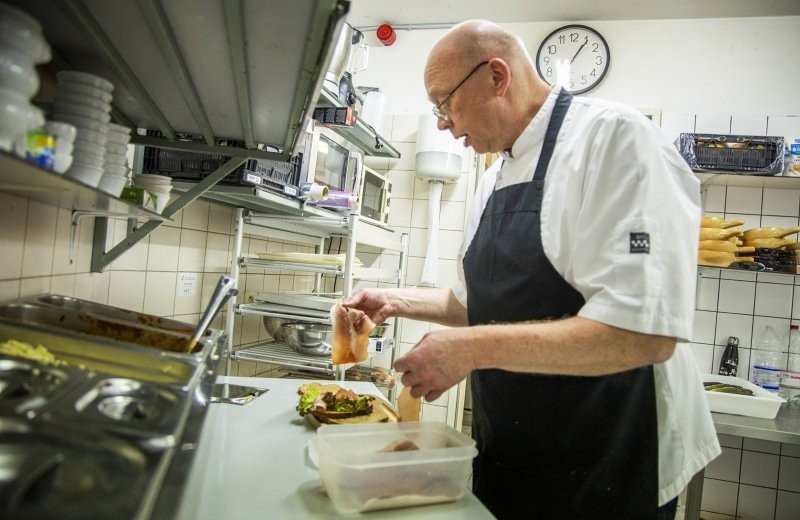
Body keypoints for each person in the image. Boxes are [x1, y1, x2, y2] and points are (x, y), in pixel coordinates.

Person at [343, 20, 720, 519]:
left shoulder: (615, 141)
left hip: (612, 455)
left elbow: (645, 335)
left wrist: (470, 350)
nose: (441, 123)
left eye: (444, 102)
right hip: (518, 451)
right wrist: (395, 300)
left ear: (496, 77)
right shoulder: (496, 175)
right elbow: (471, 304)